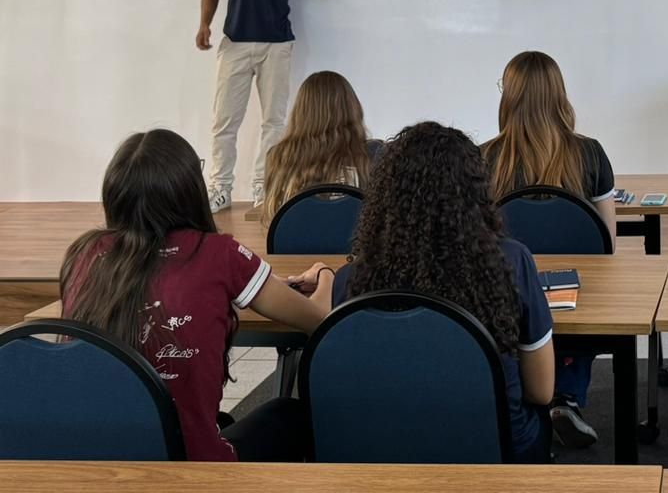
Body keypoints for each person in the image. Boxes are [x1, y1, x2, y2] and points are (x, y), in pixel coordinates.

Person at [59, 129, 333, 462]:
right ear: (191, 189)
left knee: (222, 421)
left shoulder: (84, 254)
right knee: (288, 415)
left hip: (94, 461)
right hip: (194, 467)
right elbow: (319, 321)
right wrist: (325, 275)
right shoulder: (220, 255)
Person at [292, 122, 556, 463]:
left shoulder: (351, 280)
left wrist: (326, 278)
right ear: (475, 192)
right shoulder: (511, 261)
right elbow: (541, 390)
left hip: (377, 452)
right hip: (493, 453)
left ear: (385, 195)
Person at [198, 0, 373, 213]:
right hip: (234, 44)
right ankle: (220, 189)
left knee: (274, 123)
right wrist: (204, 25)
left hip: (277, 46)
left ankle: (265, 190)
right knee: (224, 121)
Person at [481, 50, 614, 448]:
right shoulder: (591, 153)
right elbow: (607, 240)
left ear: (509, 96)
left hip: (508, 290)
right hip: (580, 292)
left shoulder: (483, 157)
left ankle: (525, 394)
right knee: (586, 293)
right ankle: (566, 395)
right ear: (560, 95)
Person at [260, 70, 371, 225]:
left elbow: (272, 217)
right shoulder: (371, 155)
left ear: (301, 112)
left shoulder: (278, 156)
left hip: (292, 246)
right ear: (353, 108)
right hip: (354, 247)